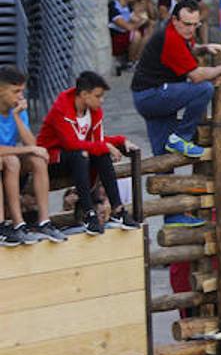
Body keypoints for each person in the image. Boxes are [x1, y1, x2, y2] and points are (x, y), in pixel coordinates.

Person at [130, 0, 221, 225]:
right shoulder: (171, 38)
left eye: (195, 24)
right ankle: (182, 137)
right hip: (152, 96)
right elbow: (196, 76)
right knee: (202, 89)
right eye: (186, 23)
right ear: (174, 20)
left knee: (164, 160)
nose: (191, 28)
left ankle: (173, 215)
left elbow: (187, 52)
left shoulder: (180, 34)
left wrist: (204, 48)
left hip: (153, 96)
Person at [36, 70, 141, 235]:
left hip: (76, 157)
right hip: (50, 160)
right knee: (82, 154)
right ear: (84, 94)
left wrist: (119, 141)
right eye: (98, 96)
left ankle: (118, 209)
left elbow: (97, 141)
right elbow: (71, 143)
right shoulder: (61, 108)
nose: (102, 100)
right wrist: (105, 146)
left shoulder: (94, 111)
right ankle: (88, 213)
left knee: (100, 155)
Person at [0, 66, 64, 244]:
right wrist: (27, 150)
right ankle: (15, 224)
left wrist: (17, 117)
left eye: (22, 91)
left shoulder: (17, 109)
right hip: (6, 161)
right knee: (12, 160)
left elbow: (31, 145)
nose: (20, 96)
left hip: (10, 163)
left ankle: (44, 221)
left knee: (38, 159)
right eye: (16, 91)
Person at [108, 0, 149, 64]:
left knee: (147, 31)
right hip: (116, 39)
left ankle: (137, 60)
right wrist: (142, 20)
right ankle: (131, 62)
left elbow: (137, 19)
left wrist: (143, 18)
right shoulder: (114, 6)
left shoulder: (127, 7)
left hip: (125, 36)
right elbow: (128, 27)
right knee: (136, 34)